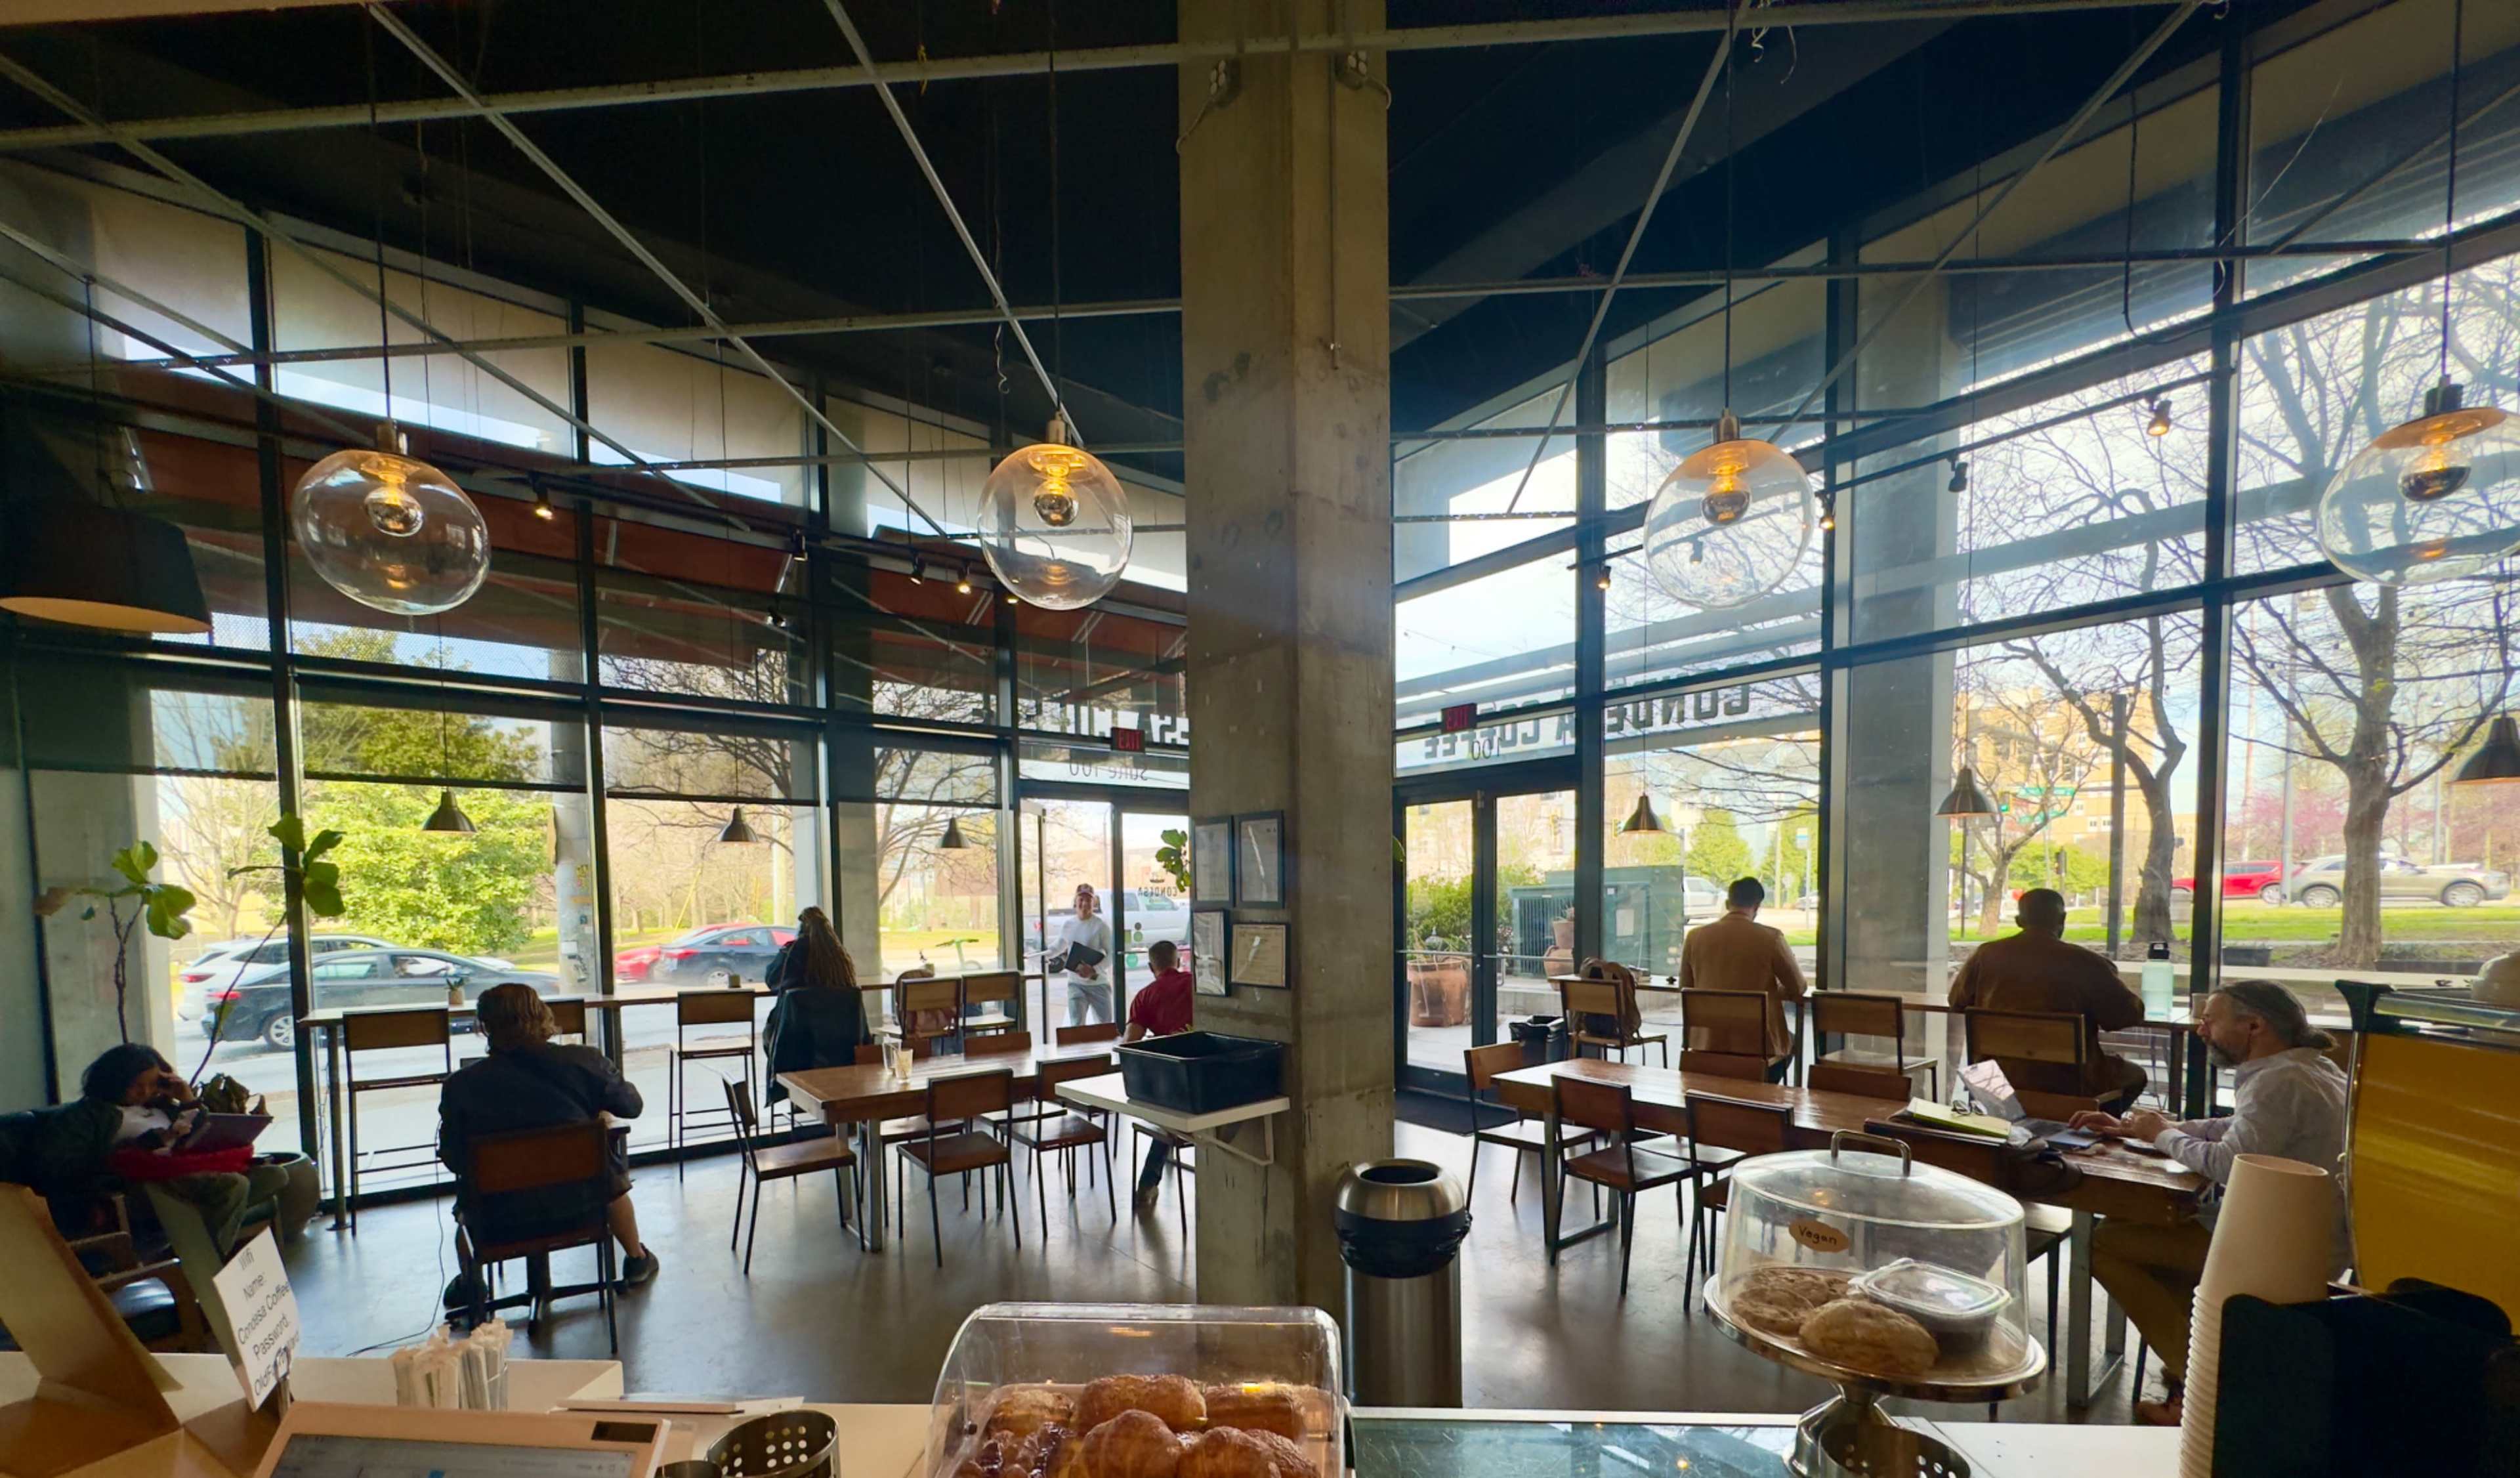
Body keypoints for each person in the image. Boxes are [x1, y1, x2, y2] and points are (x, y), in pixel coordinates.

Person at [2070, 981, 2348, 1426]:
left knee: (2103, 1246)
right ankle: (2208, 1357)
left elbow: (2225, 1163)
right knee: (2137, 1240)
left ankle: (2207, 1383)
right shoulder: (2312, 1068)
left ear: (2254, 1025)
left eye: (2209, 1020)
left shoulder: (2277, 1082)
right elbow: (2238, 1129)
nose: (2201, 1030)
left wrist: (2162, 1135)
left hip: (2277, 1250)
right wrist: (2149, 1127)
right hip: (2310, 1238)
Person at [438, 984, 658, 1305]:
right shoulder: (584, 1061)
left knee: (466, 1203)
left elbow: (454, 1159)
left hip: (498, 1217)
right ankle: (637, 1258)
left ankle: (472, 1283)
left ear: (485, 1026)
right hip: (582, 1205)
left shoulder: (462, 1085)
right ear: (542, 1014)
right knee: (606, 1169)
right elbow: (632, 1107)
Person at [0, 1044, 287, 1256]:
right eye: (137, 1085)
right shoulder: (87, 1116)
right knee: (233, 1186)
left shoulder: (158, 1107)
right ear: (115, 1080)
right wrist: (140, 1147)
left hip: (183, 1172)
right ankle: (206, 1266)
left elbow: (198, 1135)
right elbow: (56, 1165)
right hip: (137, 1185)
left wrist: (187, 1101)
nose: (146, 1092)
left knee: (276, 1175)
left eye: (153, 1084)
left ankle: (190, 1248)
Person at [1948, 887, 2147, 1104]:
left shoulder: (1985, 956)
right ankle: (2090, 1127)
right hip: (2067, 1082)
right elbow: (2125, 1016)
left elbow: (1956, 1002)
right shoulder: (2087, 963)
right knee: (2135, 1076)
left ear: (2018, 921)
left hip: (1992, 1079)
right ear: (2062, 919)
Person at [1678, 877, 1809, 1082]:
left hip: (1708, 1041)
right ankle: (1765, 1095)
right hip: (1757, 1045)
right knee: (1791, 1041)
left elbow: (1686, 987)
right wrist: (1775, 989)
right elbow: (1799, 987)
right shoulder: (1771, 938)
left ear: (1728, 904)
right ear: (1757, 906)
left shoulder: (1695, 937)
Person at [764, 906, 872, 1105]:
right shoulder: (839, 955)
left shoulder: (795, 952)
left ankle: (795, 1092)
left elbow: (772, 980)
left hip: (798, 1045)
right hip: (842, 1046)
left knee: (769, 1032)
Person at [1124, 939, 1196, 1212]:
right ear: (1178, 962)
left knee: (1166, 1115)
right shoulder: (1199, 984)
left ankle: (1147, 1184)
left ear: (1150, 966)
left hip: (1175, 1083)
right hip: (1211, 1074)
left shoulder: (1145, 996)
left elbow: (1130, 1045)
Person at [1055, 884, 1116, 1028]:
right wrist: (1039, 955)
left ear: (1094, 903)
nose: (1084, 904)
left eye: (1089, 900)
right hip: (1076, 985)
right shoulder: (1068, 925)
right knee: (1077, 1027)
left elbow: (1112, 954)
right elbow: (1058, 946)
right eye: (1081, 899)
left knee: (1105, 1027)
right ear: (1075, 901)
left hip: (1099, 984)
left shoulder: (1101, 926)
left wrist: (1095, 969)